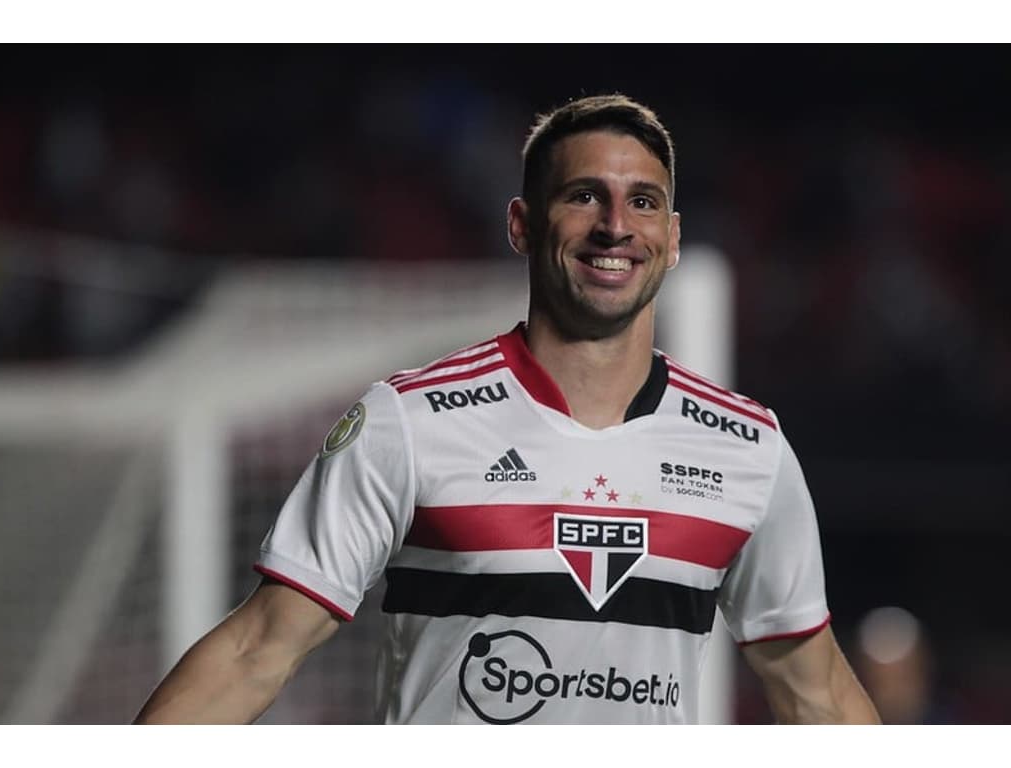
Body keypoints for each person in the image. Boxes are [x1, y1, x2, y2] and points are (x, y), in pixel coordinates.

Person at [134, 93, 879, 725]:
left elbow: (813, 688)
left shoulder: (748, 447)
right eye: (584, 195)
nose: (615, 224)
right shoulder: (411, 421)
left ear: (673, 239)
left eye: (643, 202)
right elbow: (257, 647)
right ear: (522, 224)